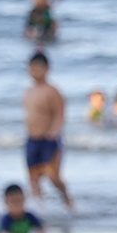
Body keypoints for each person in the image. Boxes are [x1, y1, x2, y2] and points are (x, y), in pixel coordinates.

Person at [22, 52, 74, 212]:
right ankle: (40, 209)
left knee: (52, 176)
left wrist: (55, 130)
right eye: (32, 67)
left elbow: (60, 113)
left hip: (48, 140)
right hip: (32, 139)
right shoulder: (28, 91)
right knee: (33, 177)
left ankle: (66, 199)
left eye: (38, 68)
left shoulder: (52, 91)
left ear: (47, 69)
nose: (35, 71)